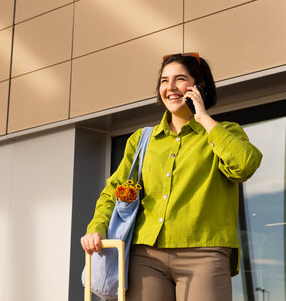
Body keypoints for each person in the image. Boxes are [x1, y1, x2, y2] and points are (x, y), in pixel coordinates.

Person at [81, 53, 262, 300]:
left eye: (180, 79)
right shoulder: (142, 140)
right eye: (164, 81)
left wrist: (203, 118)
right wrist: (97, 228)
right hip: (145, 256)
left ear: (200, 86)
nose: (170, 87)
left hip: (204, 253)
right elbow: (113, 191)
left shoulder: (224, 132)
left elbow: (245, 164)